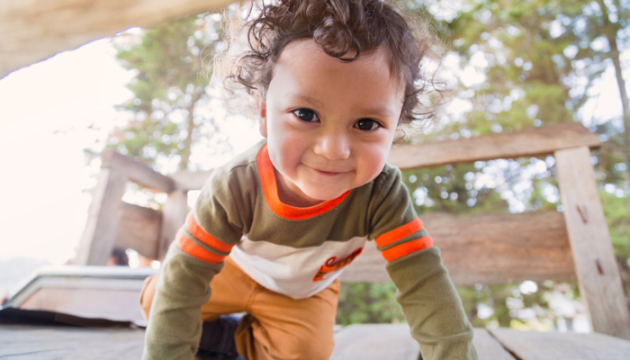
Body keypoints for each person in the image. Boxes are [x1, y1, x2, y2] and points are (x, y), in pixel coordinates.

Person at [140, 1, 478, 359]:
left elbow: (424, 280)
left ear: (395, 129)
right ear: (264, 112)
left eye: (366, 124)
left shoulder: (381, 193)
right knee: (159, 301)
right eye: (306, 114)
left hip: (303, 291)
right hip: (233, 270)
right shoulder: (236, 185)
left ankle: (236, 341)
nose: (334, 150)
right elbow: (187, 271)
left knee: (304, 353)